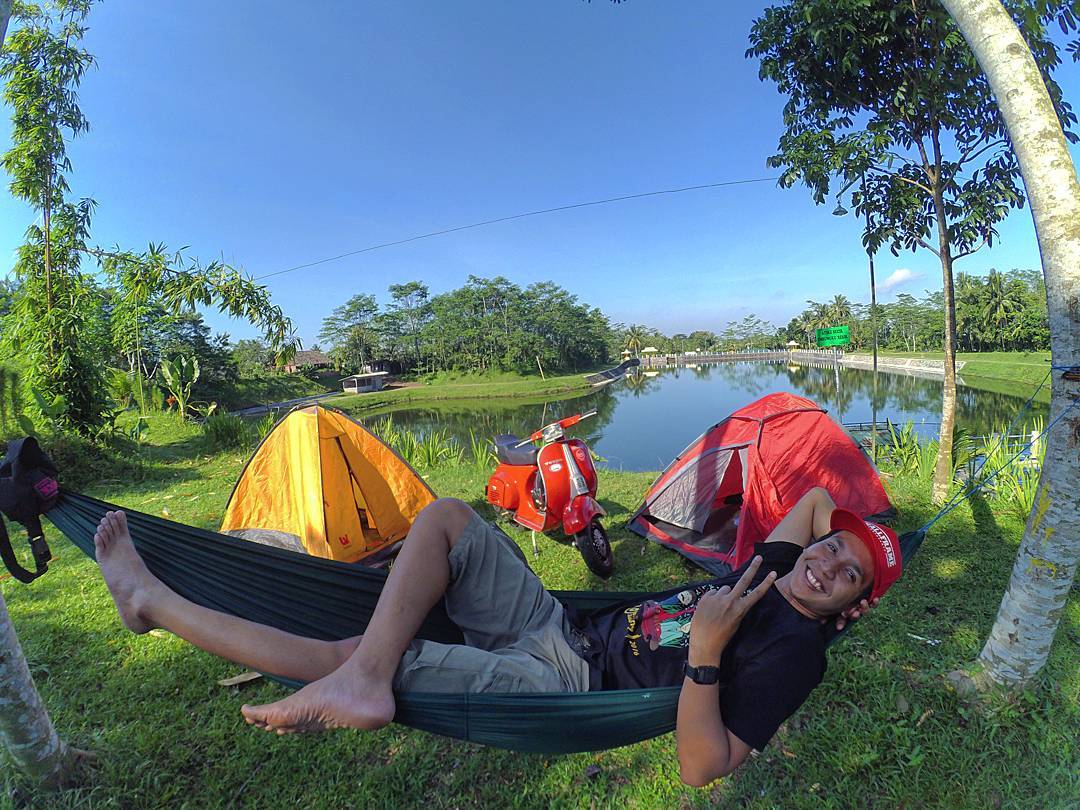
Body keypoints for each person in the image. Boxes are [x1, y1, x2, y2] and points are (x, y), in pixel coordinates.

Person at [93, 486, 901, 786]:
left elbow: (703, 768)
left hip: (567, 691)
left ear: (841, 610)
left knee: (350, 653)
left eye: (848, 574)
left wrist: (706, 656)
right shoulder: (780, 570)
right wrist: (858, 557)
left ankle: (153, 603)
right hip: (558, 624)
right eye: (833, 550)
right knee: (446, 518)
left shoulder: (794, 654)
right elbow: (822, 500)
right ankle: (369, 673)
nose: (827, 561)